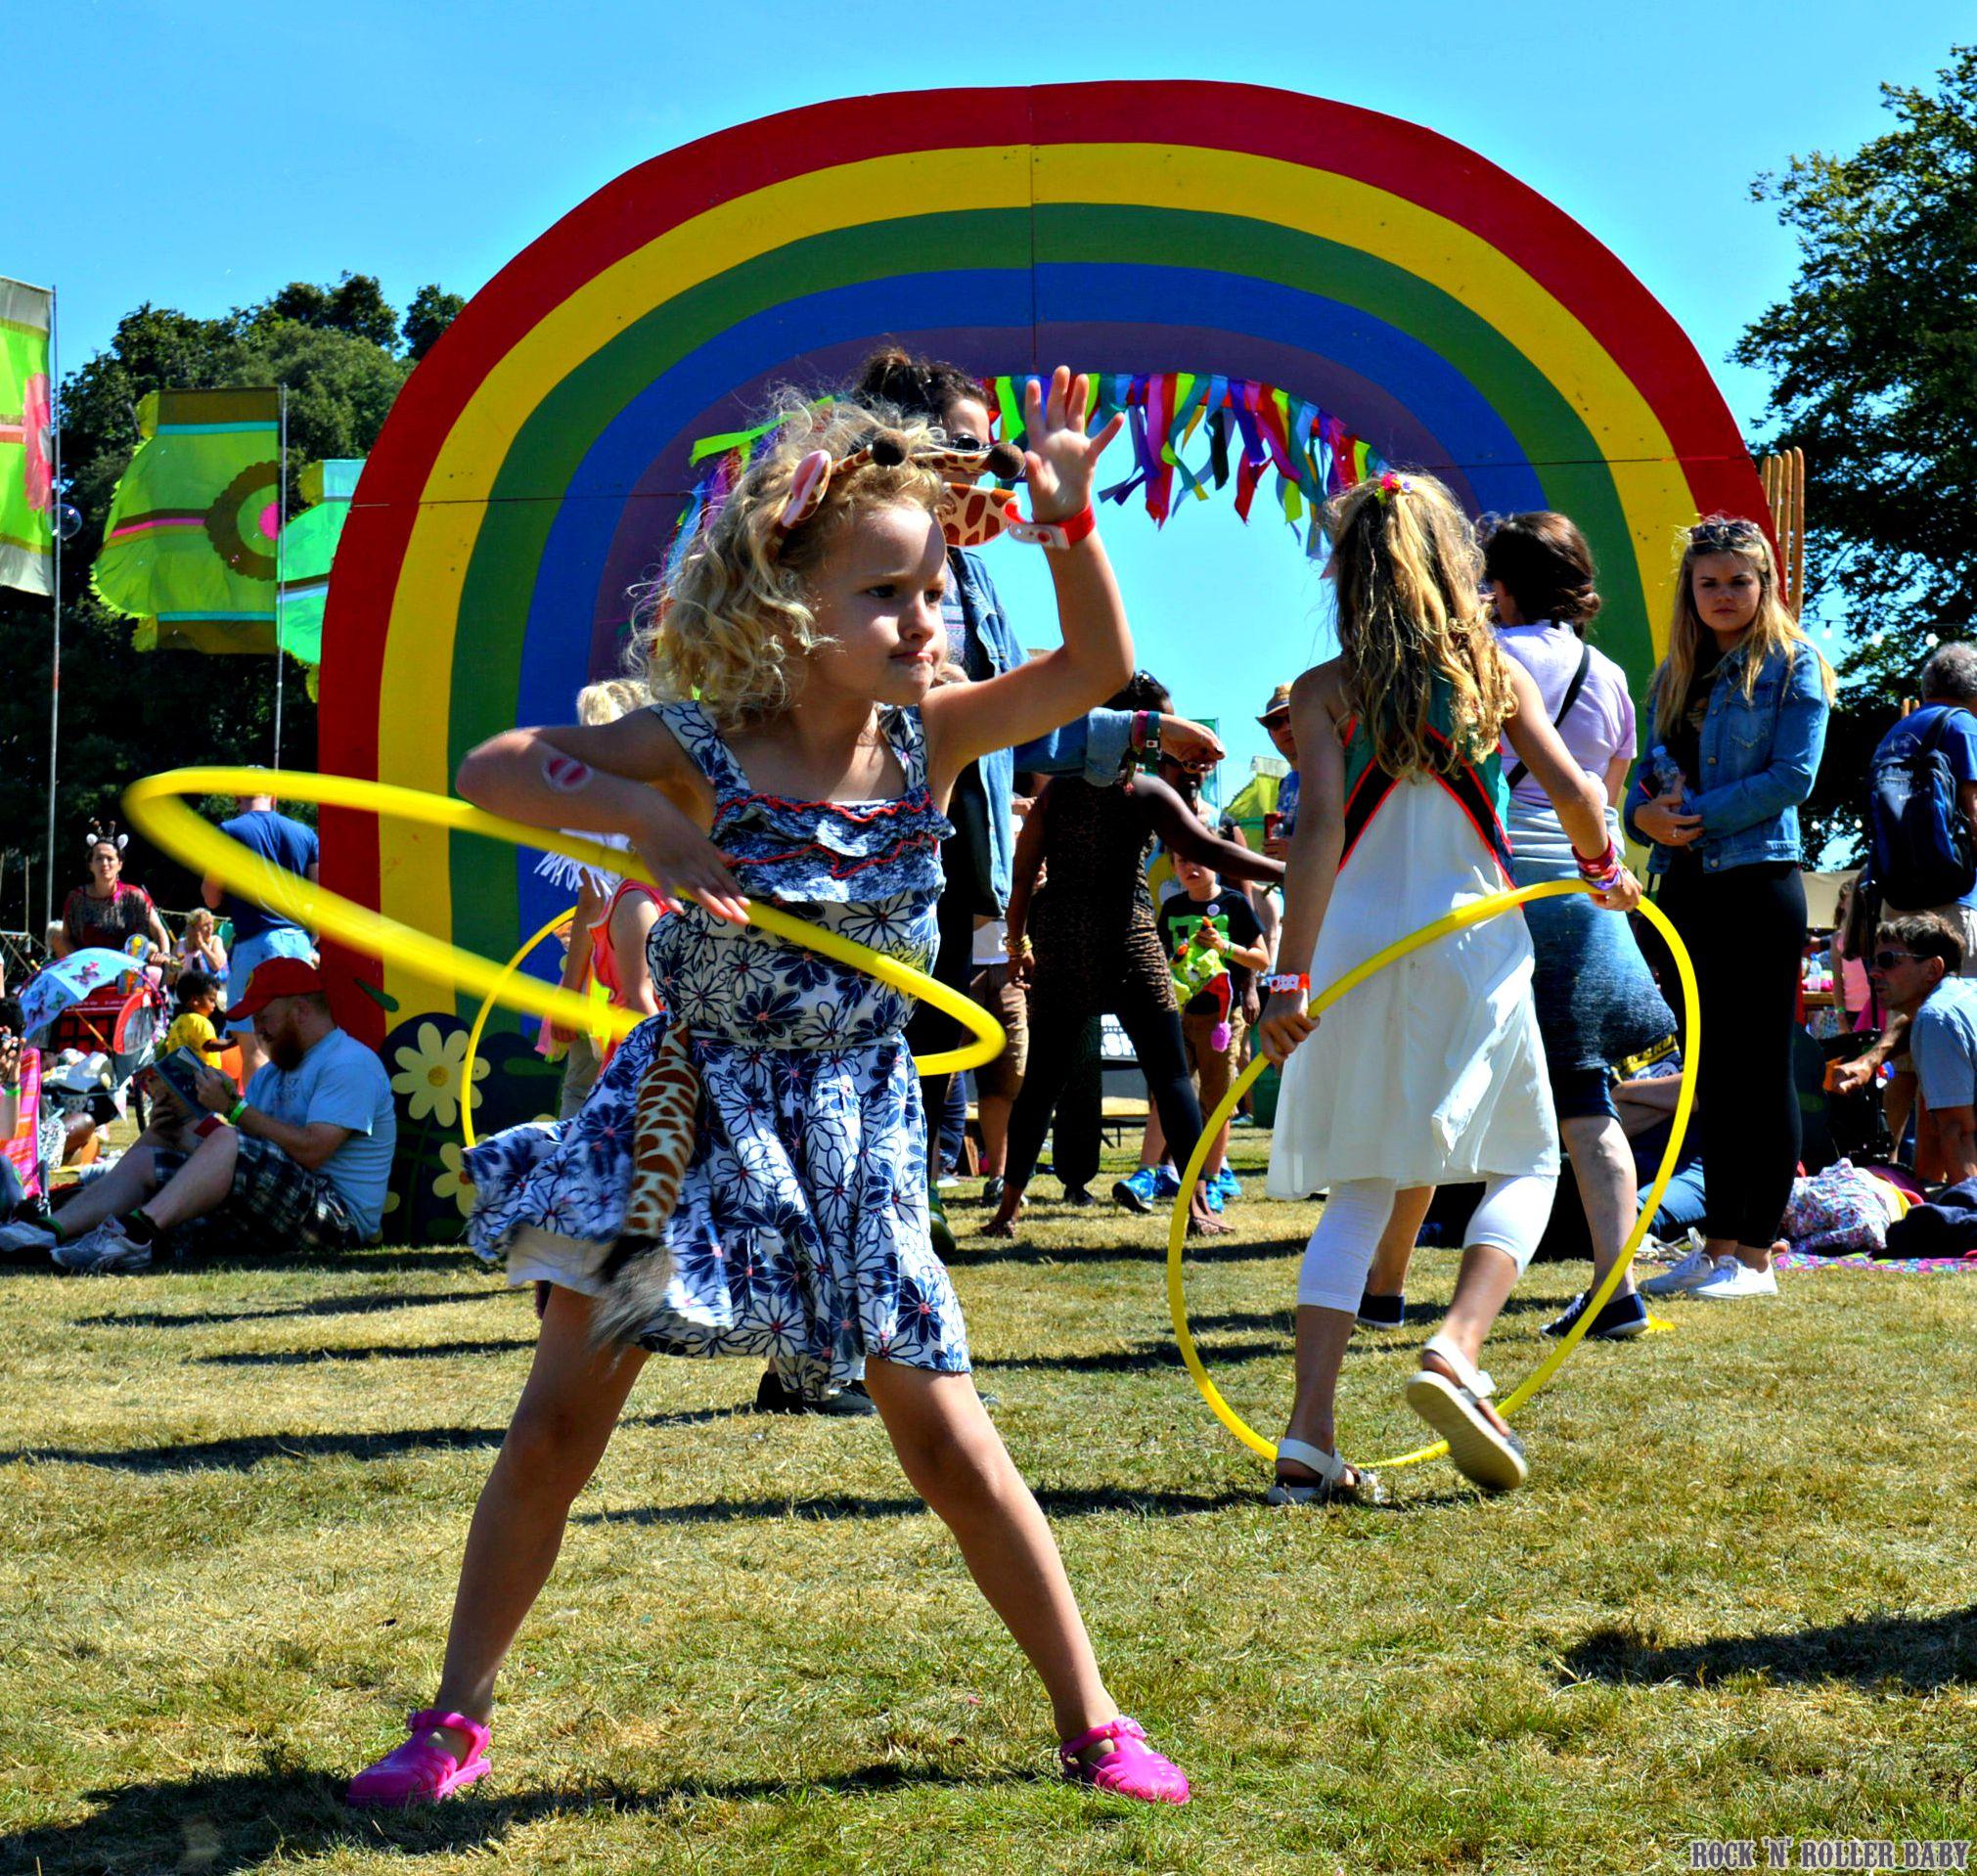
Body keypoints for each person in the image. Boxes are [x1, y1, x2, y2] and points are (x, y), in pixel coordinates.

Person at [345, 372, 1191, 1810]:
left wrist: (1067, 526)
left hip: (856, 1122)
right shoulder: (701, 744)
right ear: (789, 599)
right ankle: (453, 1717)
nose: (925, 623)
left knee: (941, 1425)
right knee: (560, 1416)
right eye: (888, 595)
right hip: (690, 1114)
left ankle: (1092, 1716)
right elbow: (493, 768)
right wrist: (634, 822)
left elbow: (1092, 668)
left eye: (935, 591)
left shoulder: (934, 741)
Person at [1258, 469, 1640, 1502]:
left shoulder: (1321, 689)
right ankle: (1458, 1346)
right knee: (1523, 1156)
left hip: (1353, 945)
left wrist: (1285, 974)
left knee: (1363, 1184)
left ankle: (1306, 1436)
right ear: (1454, 565)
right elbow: (1570, 788)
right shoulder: (1490, 674)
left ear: (1348, 574)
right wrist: (1605, 873)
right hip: (1468, 943)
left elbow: (1317, 833)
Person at [848, 349, 1225, 1174]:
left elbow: (1022, 714)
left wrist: (1137, 737)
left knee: (925, 1044)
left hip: (941, 857)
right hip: (833, 861)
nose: (990, 468)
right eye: (964, 445)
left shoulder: (973, 581)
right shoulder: (807, 565)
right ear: (890, 443)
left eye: (996, 450)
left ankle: (914, 1198)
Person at [1623, 515, 1834, 1301]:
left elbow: (1792, 778)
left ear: (1764, 584)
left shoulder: (1793, 665)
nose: (1722, 595)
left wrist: (1697, 816)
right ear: (1689, 589)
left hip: (1757, 883)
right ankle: (1715, 1247)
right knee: (1709, 1073)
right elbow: (1643, 776)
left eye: (1737, 581)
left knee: (1757, 1069)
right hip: (1683, 888)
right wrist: (1639, 816)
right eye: (1707, 582)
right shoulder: (1670, 674)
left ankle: (1754, 1256)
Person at [987, 678, 1282, 1238]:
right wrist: (1291, 872)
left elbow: (1024, 874)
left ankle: (1009, 1206)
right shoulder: (1143, 791)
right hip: (1128, 940)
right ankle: (1196, 1206)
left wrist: (1018, 940)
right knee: (1171, 1075)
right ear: (1132, 730)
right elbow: (1208, 849)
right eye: (1160, 728)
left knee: (1044, 1079)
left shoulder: (1057, 794)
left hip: (1063, 938)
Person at [1482, 511, 1677, 1341]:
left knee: (1440, 1077)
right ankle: (1615, 1284)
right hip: (1587, 891)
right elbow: (1607, 798)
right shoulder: (1608, 673)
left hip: (1492, 887)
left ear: (1501, 583)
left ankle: (1377, 1282)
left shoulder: (1483, 661)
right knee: (1584, 1093)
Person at [0, 959, 394, 1273]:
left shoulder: (348, 1063)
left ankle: (136, 1236)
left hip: (336, 1222)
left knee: (224, 1138)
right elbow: (244, 1159)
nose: (258, 1032)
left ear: (301, 1011)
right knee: (155, 1146)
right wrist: (182, 1127)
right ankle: (49, 1231)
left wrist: (234, 1110)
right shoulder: (274, 1073)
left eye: (264, 1018)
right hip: (279, 1207)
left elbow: (311, 1152)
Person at [1153, 851, 1269, 1203]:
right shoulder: (1172, 908)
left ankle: (1215, 1178)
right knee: (1173, 1095)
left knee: (1218, 1102)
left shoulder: (1234, 904)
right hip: (1178, 1015)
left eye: (1196, 859)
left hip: (1221, 1017)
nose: (1190, 866)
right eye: (1181, 861)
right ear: (1173, 868)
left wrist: (1224, 946)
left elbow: (1261, 958)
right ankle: (1166, 1171)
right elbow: (1161, 954)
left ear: (1215, 863)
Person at [203, 789, 321, 1082]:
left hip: (256, 943)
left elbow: (211, 897)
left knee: (255, 1045)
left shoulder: (229, 832)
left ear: (236, 799)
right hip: (298, 944)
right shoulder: (305, 833)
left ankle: (262, 1124)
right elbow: (319, 898)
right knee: (301, 1039)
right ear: (275, 799)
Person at [1865, 914, 1977, 1185]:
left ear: (1932, 969)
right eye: (1873, 961)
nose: (1873, 972)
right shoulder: (1965, 994)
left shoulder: (1934, 1018)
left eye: (1888, 961)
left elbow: (1958, 1131)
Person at [63, 823, 171, 961]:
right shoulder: (75, 899)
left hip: (129, 971)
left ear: (120, 864)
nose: (104, 864)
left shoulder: (135, 897)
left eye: (110, 858)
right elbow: (66, 937)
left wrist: (164, 955)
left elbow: (158, 930)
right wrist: (76, 960)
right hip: (87, 973)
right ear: (90, 865)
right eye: (99, 858)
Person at [1258, 684, 1300, 859]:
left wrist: (1299, 850)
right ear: (1270, 735)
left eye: (1292, 717)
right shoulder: (1287, 782)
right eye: (1276, 723)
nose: (1285, 728)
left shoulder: (1335, 770)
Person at [161, 969, 228, 1061]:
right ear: (195, 1000)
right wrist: (235, 1042)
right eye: (211, 1000)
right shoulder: (202, 1023)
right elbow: (210, 1045)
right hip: (204, 1074)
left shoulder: (178, 1021)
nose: (214, 1005)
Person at [173, 907, 229, 980]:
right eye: (205, 925)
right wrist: (173, 969)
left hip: (207, 988)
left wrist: (201, 945)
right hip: (183, 989)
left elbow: (217, 966)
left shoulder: (215, 940)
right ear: (193, 927)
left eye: (211, 924)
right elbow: (169, 980)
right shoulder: (180, 944)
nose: (210, 928)